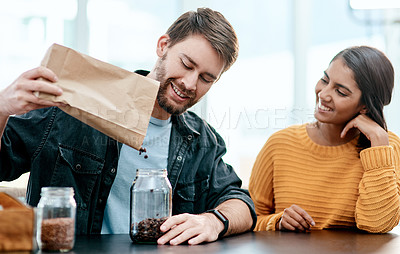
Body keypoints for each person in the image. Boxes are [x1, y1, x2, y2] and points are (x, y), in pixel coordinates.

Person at [0, 8, 256, 245]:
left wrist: (213, 221)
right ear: (163, 46)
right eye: (187, 64)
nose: (190, 83)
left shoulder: (202, 141)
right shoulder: (74, 107)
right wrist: (2, 108)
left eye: (206, 78)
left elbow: (240, 201)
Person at [249, 46, 400, 233]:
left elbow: (378, 225)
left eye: (341, 92)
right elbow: (250, 220)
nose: (323, 94)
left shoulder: (386, 147)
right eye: (325, 80)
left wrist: (378, 141)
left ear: (365, 106)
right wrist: (277, 222)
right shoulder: (279, 144)